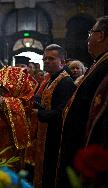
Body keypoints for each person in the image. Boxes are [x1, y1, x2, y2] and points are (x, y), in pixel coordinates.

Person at [57, 16, 108, 188]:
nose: (88, 38)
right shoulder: (99, 62)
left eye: (91, 32)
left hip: (89, 148)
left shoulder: (105, 64)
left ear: (100, 35)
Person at [33, 44, 76, 188]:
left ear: (62, 62)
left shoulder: (66, 82)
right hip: (45, 134)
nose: (46, 61)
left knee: (51, 173)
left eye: (51, 59)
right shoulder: (50, 79)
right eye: (44, 59)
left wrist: (40, 113)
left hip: (56, 136)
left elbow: (62, 111)